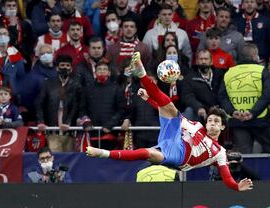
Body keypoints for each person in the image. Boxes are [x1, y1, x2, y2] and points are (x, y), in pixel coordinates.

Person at [86, 52, 254, 191]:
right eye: (210, 120)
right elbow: (166, 109)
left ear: (222, 126)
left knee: (148, 153)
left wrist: (237, 187)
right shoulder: (196, 127)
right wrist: (149, 100)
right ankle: (142, 74)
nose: (212, 123)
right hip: (175, 138)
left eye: (216, 121)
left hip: (179, 157)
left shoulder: (220, 152)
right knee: (170, 107)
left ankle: (102, 153)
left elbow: (226, 177)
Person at [219, 42, 270, 154]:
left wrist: (232, 112)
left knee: (244, 155)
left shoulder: (229, 73)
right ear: (254, 56)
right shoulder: (262, 71)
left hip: (238, 119)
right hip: (260, 119)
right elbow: (268, 94)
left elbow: (222, 96)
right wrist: (252, 112)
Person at [79, 60, 130, 150]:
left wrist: (111, 124)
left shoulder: (116, 89)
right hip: (92, 133)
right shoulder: (87, 89)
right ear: (95, 72)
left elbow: (121, 109)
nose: (102, 71)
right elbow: (82, 109)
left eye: (104, 69)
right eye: (99, 69)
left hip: (110, 133)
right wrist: (86, 122)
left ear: (109, 73)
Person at [36, 55, 81, 152]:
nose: (65, 68)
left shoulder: (76, 85)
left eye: (68, 65)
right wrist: (41, 121)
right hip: (53, 131)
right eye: (62, 65)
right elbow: (39, 103)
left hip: (70, 132)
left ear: (71, 69)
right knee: (56, 160)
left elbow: (76, 106)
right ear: (57, 68)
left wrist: (68, 122)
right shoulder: (48, 83)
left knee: (69, 162)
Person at [19, 44, 58, 124]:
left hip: (59, 113)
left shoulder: (59, 71)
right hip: (41, 116)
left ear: (53, 54)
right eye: (43, 53)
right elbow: (26, 97)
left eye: (48, 52)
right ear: (39, 57)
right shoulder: (32, 75)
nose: (46, 55)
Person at [182, 49, 224, 121]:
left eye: (206, 59)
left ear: (211, 61)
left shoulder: (220, 75)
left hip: (219, 110)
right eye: (201, 59)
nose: (203, 61)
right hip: (200, 111)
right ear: (197, 61)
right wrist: (199, 107)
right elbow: (188, 96)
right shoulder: (190, 77)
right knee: (189, 111)